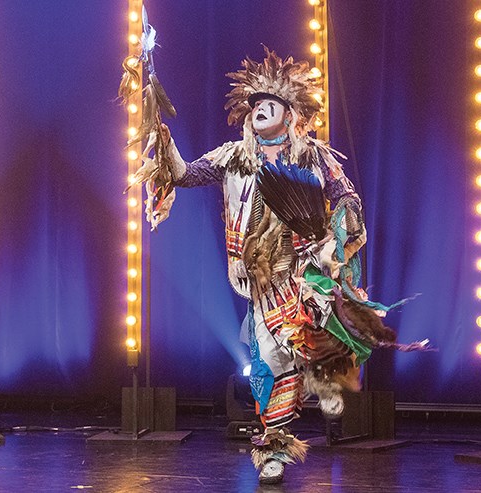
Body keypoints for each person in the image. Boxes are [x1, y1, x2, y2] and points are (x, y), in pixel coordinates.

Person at [125, 47, 427, 485]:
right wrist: (164, 142)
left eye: (271, 104)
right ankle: (274, 446)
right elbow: (186, 174)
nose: (260, 109)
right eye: (255, 105)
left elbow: (347, 199)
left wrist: (336, 240)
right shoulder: (233, 157)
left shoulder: (314, 157)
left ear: (290, 113)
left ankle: (325, 373)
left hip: (306, 268)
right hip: (261, 278)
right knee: (268, 360)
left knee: (320, 330)